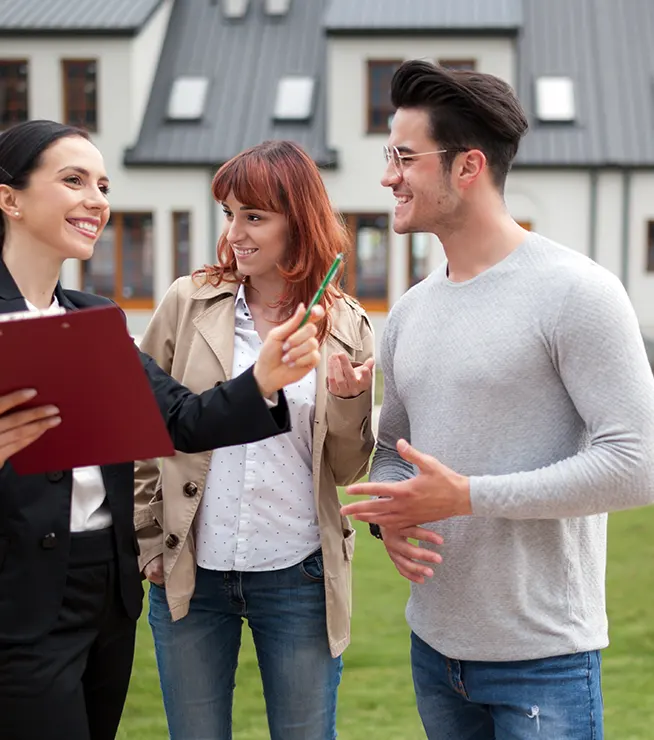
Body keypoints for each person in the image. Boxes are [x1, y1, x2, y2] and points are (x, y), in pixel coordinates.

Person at [341, 60, 654, 740]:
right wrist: (391, 518)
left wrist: (467, 496)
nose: (388, 175)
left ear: (467, 167)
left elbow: (636, 465)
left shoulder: (579, 293)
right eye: (386, 156)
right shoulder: (412, 311)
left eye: (403, 157)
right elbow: (396, 450)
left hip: (544, 661)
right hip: (434, 649)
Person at [0, 119, 324, 740]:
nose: (97, 199)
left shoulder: (94, 319)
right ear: (10, 198)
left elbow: (178, 418)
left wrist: (260, 382)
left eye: (102, 184)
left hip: (104, 596)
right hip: (18, 600)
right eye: (73, 180)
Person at [134, 140, 375, 740]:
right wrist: (147, 540)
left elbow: (345, 470)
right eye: (230, 214)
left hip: (297, 573)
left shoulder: (346, 325)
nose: (236, 232)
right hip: (190, 568)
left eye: (255, 216)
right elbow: (140, 423)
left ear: (300, 220)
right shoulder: (187, 303)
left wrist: (347, 401)